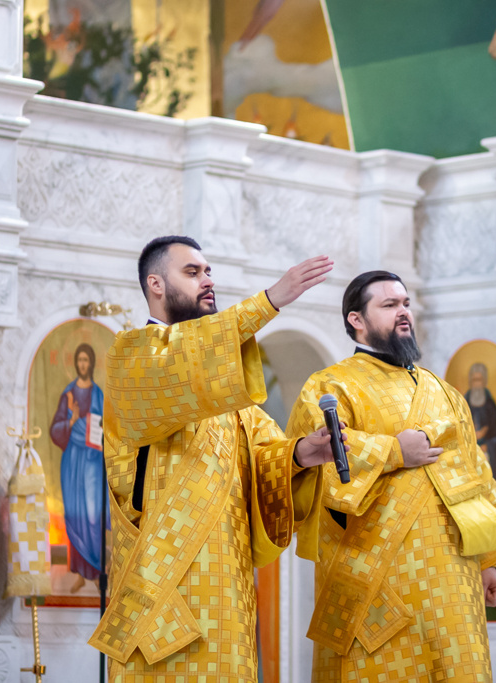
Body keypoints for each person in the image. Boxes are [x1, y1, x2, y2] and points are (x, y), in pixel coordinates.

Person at [88, 235, 343, 682]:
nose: (207, 280)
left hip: (230, 591)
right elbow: (181, 363)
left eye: (209, 272)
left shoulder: (229, 396)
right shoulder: (133, 356)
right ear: (155, 284)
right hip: (162, 592)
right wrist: (268, 301)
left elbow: (266, 456)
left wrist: (302, 454)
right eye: (192, 272)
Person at [288, 270, 496, 682]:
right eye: (389, 305)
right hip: (376, 574)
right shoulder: (330, 386)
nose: (403, 312)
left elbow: (474, 477)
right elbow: (320, 462)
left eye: (405, 304)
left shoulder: (443, 392)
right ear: (356, 319)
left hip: (451, 576)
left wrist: (488, 561)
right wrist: (394, 452)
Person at [49, 343, 108, 593]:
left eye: (86, 360)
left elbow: (108, 427)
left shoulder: (98, 394)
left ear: (91, 363)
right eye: (80, 360)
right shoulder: (69, 394)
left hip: (93, 461)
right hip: (73, 460)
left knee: (93, 515)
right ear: (76, 363)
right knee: (74, 515)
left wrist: (102, 435)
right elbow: (55, 430)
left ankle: (95, 572)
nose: (83, 364)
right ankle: (80, 574)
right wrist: (72, 420)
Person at [465, 362, 496, 492]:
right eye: (474, 380)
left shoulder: (490, 405)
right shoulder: (463, 403)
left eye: (479, 380)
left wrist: (488, 446)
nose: (477, 384)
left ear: (484, 381)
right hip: (470, 455)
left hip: (488, 455)